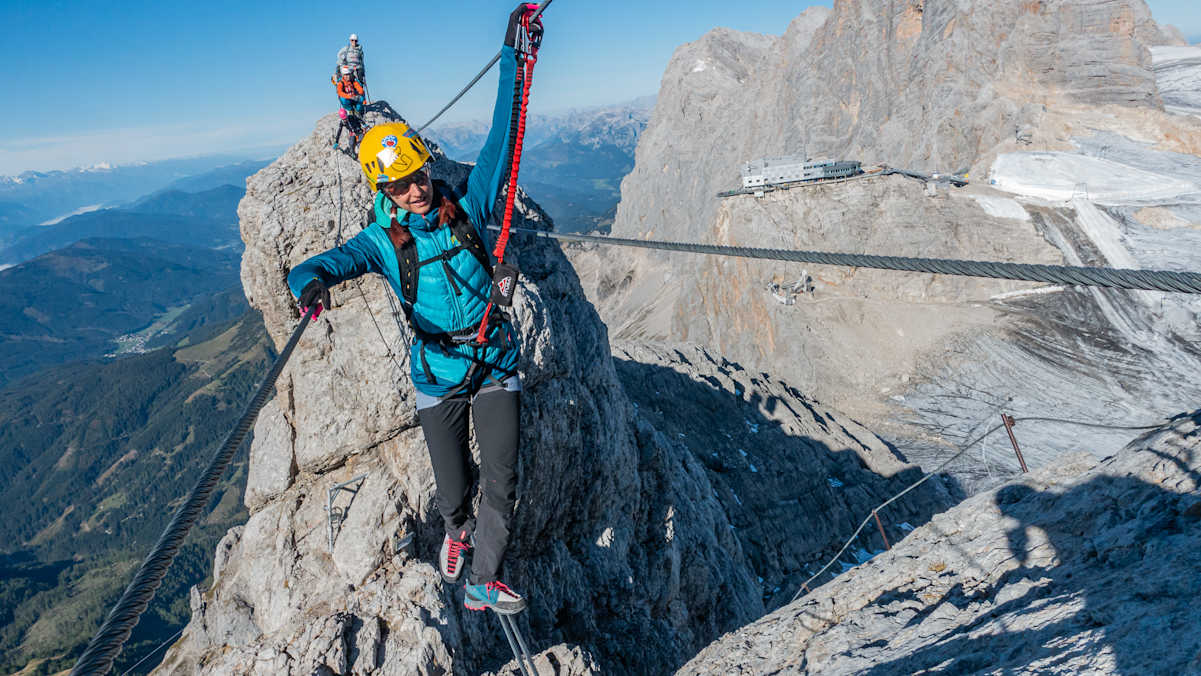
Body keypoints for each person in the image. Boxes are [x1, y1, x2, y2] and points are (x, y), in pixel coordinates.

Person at [288, 5, 543, 616]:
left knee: (503, 481)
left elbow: (501, 137)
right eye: (400, 185)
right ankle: (456, 532)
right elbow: (323, 263)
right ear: (384, 192)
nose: (416, 189)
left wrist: (514, 53)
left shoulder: (470, 201)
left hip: (493, 359)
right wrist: (308, 285)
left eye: (418, 175)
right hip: (437, 373)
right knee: (455, 491)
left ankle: (483, 577)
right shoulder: (382, 242)